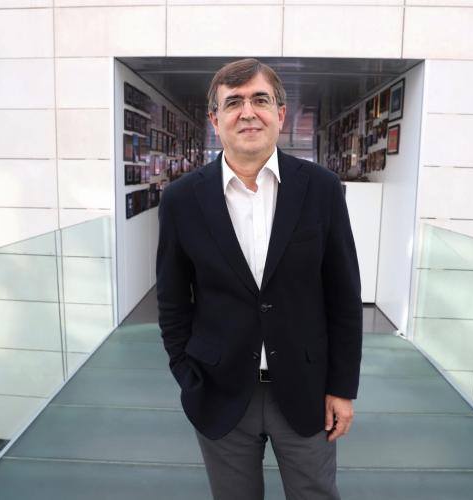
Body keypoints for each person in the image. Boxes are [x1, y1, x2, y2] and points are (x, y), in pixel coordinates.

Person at [156, 58, 362, 500]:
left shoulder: (322, 189)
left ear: (280, 113)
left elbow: (344, 296)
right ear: (215, 120)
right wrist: (187, 375)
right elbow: (172, 301)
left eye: (260, 100)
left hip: (307, 390)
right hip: (220, 389)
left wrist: (342, 388)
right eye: (233, 103)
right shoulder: (180, 200)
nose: (247, 112)